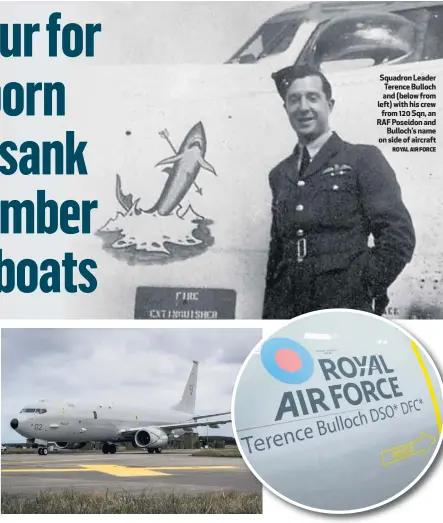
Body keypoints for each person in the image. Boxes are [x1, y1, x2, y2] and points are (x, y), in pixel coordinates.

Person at [262, 65, 415, 319]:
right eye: (294, 100)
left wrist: (361, 287)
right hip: (288, 310)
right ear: (286, 109)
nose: (303, 107)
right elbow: (277, 251)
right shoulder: (280, 174)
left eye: (312, 97)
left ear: (329, 105)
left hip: (344, 307)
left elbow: (398, 238)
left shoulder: (362, 158)